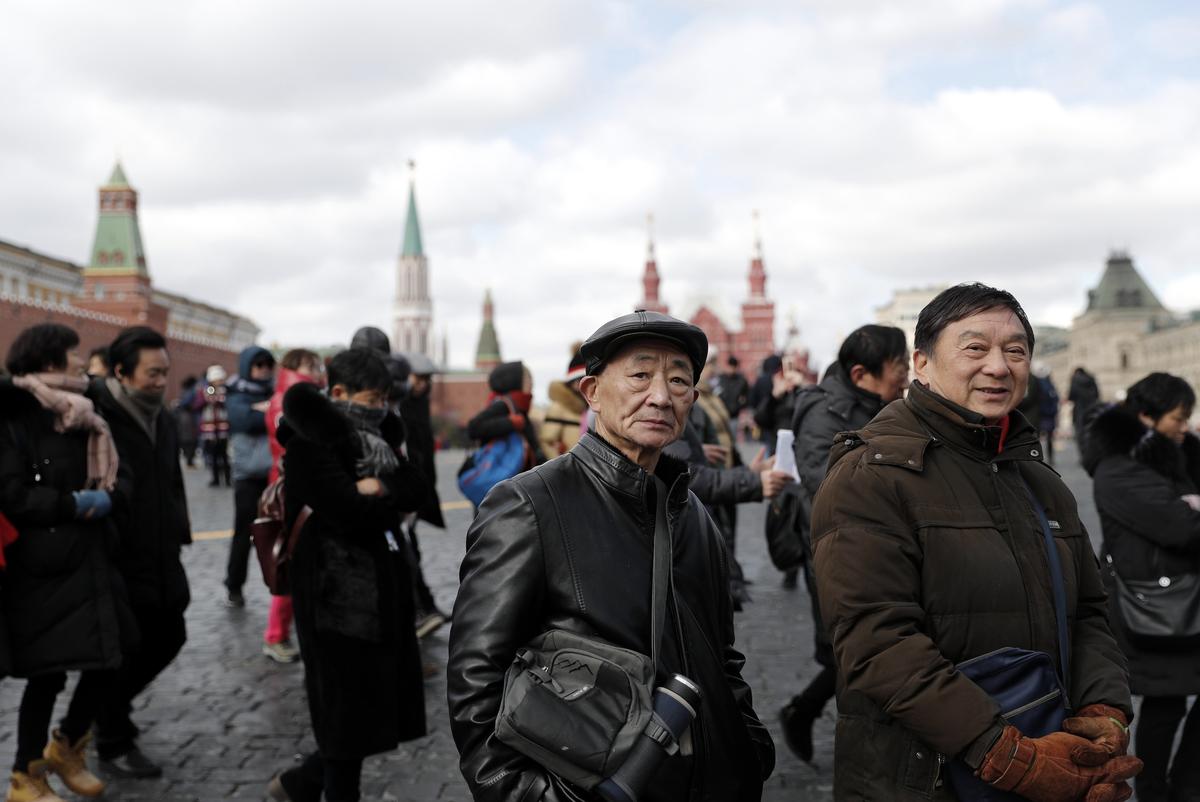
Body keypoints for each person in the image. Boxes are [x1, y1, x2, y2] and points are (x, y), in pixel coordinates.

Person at [811, 284, 1140, 800]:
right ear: (921, 362)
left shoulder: (1041, 481)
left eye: (1015, 350)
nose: (998, 366)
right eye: (974, 348)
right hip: (922, 778)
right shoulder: (871, 476)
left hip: (1051, 758)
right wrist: (1004, 755)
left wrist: (1104, 709)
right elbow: (875, 642)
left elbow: (1091, 613)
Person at [448, 311, 775, 801]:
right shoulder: (530, 504)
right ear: (593, 393)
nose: (661, 396)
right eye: (641, 375)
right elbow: (475, 681)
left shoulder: (695, 516)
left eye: (679, 381)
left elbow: (723, 655)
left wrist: (747, 743)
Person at [267, 348, 426, 802]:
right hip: (331, 593)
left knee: (365, 706)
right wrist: (386, 497)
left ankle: (301, 782)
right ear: (338, 393)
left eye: (384, 398)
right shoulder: (308, 441)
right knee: (344, 713)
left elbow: (416, 488)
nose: (381, 408)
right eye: (373, 397)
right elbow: (349, 512)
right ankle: (324, 789)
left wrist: (378, 485)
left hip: (379, 591)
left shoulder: (382, 437)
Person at [0, 323, 129, 802]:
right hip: (42, 567)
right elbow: (11, 493)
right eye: (75, 355)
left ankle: (68, 746)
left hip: (94, 559)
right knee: (47, 672)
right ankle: (25, 776)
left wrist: (113, 500)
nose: (84, 363)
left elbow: (123, 472)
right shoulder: (14, 416)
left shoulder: (90, 414)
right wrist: (69, 505)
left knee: (111, 656)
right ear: (51, 360)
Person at [778, 324, 908, 763]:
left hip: (882, 545)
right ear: (861, 373)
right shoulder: (824, 411)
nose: (906, 375)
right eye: (899, 366)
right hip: (839, 551)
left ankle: (809, 712)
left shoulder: (883, 403)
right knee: (854, 651)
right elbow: (823, 484)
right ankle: (818, 720)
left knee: (867, 648)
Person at [1083, 373, 1200, 802]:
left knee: (1171, 701)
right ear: (1147, 416)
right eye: (1178, 418)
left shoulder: (1175, 454)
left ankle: (1184, 785)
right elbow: (1181, 527)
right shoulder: (1117, 468)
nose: (1185, 427)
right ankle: (1156, 791)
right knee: (1165, 702)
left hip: (1185, 598)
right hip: (1155, 606)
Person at [88, 325, 191, 779]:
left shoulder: (162, 416)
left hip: (161, 546)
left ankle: (106, 712)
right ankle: (112, 736)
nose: (159, 382)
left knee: (170, 633)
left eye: (164, 373)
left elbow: (171, 480)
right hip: (119, 550)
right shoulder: (99, 415)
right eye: (151, 373)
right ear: (121, 372)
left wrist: (179, 532)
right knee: (125, 646)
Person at [261, 349, 324, 664]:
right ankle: (276, 635)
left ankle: (281, 633)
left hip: (290, 485)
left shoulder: (284, 397)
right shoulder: (294, 400)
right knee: (291, 562)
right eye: (311, 365)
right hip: (294, 490)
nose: (317, 370)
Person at [397, 351, 451, 638]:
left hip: (418, 487)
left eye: (427, 379)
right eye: (419, 378)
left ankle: (425, 606)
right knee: (408, 551)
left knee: (411, 549)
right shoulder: (402, 404)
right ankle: (421, 608)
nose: (423, 384)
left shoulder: (419, 403)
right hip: (406, 490)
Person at [223, 346, 276, 609]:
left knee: (281, 532)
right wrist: (269, 411)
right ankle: (234, 585)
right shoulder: (236, 393)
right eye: (259, 365)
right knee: (244, 533)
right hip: (248, 476)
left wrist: (263, 409)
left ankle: (281, 585)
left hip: (274, 473)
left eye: (268, 364)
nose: (264, 369)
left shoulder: (273, 392)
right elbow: (244, 420)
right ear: (247, 367)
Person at [465, 361, 545, 468]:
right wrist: (510, 423)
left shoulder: (520, 407)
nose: (532, 383)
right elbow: (474, 427)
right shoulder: (503, 405)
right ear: (514, 382)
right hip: (505, 478)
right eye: (527, 379)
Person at [537, 349, 587, 458]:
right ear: (572, 381)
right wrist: (561, 468)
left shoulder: (592, 406)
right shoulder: (558, 407)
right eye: (580, 380)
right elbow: (547, 441)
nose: (585, 385)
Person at [198, 365, 231, 487]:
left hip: (222, 426)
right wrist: (216, 396)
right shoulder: (210, 389)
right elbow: (210, 398)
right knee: (213, 455)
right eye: (216, 379)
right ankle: (216, 479)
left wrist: (218, 397)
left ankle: (227, 479)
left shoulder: (225, 389)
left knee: (224, 455)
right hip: (210, 427)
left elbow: (223, 400)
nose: (218, 381)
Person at [1070, 366, 1101, 449]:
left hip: (1079, 409)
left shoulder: (1075, 379)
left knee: (1080, 431)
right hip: (1091, 408)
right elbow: (1097, 394)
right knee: (1090, 429)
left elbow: (1071, 395)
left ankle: (1083, 451)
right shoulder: (1091, 378)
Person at [175, 375, 200, 468]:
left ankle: (189, 460)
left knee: (187, 438)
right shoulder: (191, 391)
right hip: (189, 417)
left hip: (184, 417)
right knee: (190, 439)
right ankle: (190, 461)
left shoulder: (185, 391)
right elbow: (186, 403)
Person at [716, 354, 750, 419]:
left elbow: (746, 397)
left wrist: (740, 405)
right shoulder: (720, 379)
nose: (731, 369)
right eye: (730, 366)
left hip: (735, 415)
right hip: (721, 413)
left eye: (733, 367)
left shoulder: (741, 381)